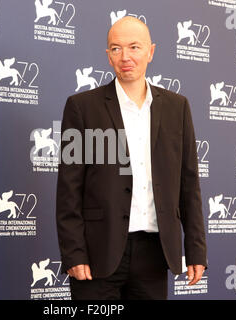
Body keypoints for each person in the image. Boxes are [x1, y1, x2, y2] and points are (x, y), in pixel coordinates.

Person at [56, 16, 207, 300]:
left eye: (134, 47)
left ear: (150, 52)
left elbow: (189, 184)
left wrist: (196, 249)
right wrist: (74, 253)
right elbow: (68, 189)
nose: (125, 56)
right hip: (97, 254)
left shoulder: (178, 108)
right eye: (116, 48)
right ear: (108, 55)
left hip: (155, 252)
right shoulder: (81, 108)